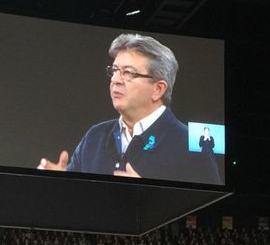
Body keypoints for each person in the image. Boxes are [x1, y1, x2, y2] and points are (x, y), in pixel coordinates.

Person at [38, 33, 221, 185]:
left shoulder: (191, 146)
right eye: (115, 70)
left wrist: (148, 196)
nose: (115, 80)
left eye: (128, 73)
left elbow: (209, 212)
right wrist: (60, 182)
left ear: (158, 89)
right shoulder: (96, 136)